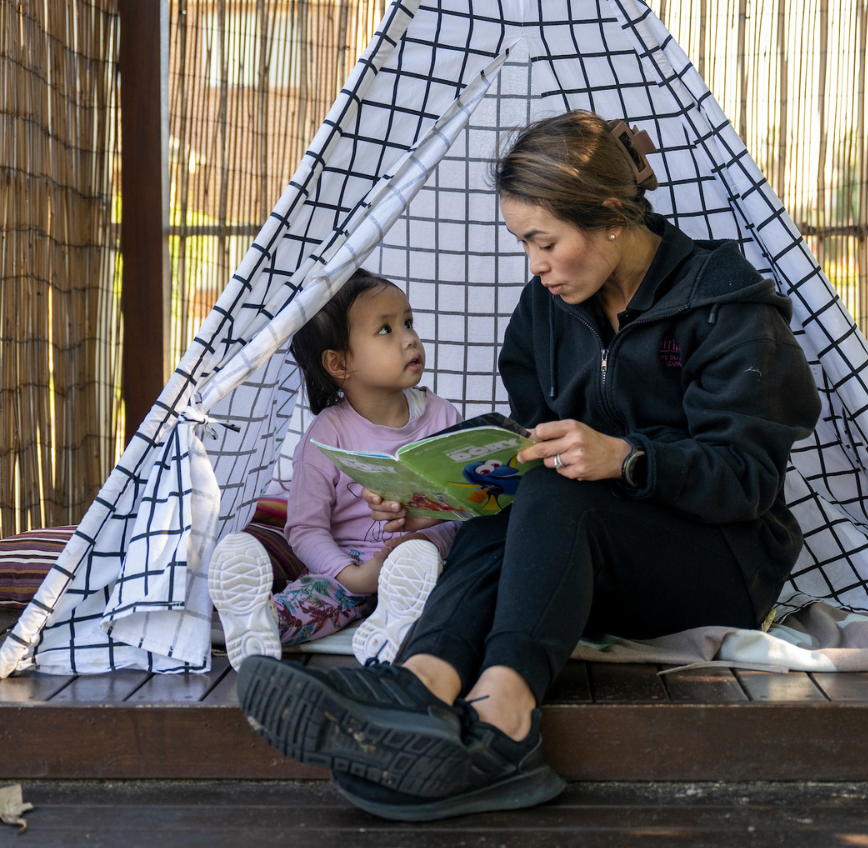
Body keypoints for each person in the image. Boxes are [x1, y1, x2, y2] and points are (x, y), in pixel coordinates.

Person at [236, 110, 822, 821]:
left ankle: (506, 723)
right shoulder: (545, 309)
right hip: (589, 561)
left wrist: (628, 457)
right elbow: (529, 447)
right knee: (516, 494)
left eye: (544, 242)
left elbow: (748, 478)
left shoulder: (724, 307)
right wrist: (445, 496)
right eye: (524, 244)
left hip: (721, 564)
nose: (534, 265)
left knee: (551, 489)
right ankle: (421, 685)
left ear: (610, 217)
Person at [208, 269, 461, 669]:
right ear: (339, 363)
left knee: (455, 599)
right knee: (311, 601)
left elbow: (459, 510)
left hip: (424, 566)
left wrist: (425, 539)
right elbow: (305, 529)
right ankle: (259, 621)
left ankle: (391, 627)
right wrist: (352, 575)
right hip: (348, 567)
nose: (410, 338)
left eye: (408, 322)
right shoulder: (327, 435)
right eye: (386, 330)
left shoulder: (442, 417)